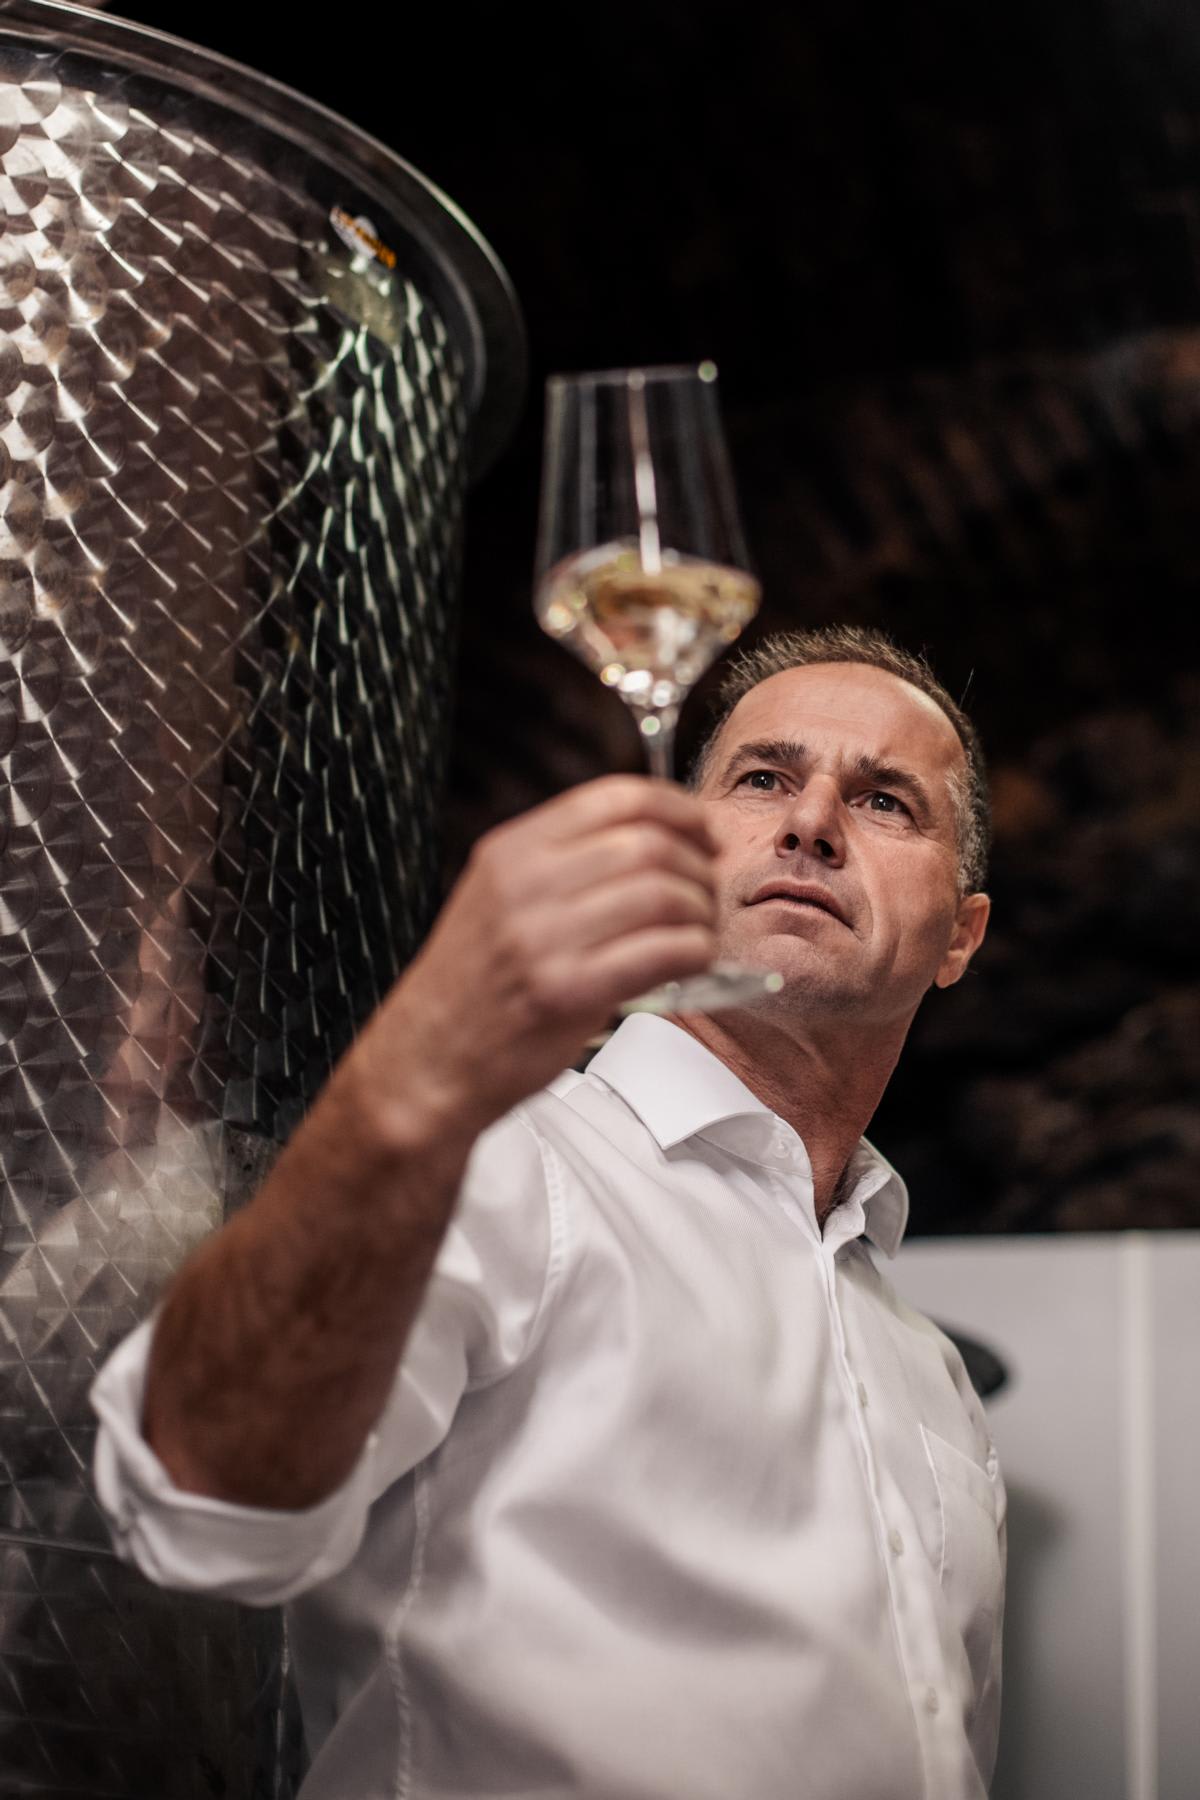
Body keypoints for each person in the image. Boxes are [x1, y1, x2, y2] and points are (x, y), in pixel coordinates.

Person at [91, 624, 1005, 1800]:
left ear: (961, 938)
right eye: (763, 779)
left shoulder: (932, 1373)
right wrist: (417, 1068)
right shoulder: (492, 1167)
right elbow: (200, 1503)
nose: (812, 820)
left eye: (884, 801)